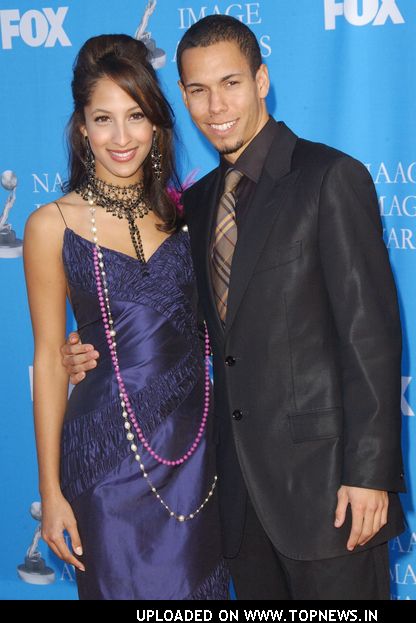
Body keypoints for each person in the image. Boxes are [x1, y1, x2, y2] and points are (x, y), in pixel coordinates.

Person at [62, 17, 406, 600]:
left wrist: (368, 475)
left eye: (231, 83)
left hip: (330, 495)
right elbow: (173, 321)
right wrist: (92, 348)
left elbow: (369, 337)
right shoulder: (190, 207)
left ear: (262, 79)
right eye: (196, 90)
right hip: (232, 504)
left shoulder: (329, 178)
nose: (215, 105)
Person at [23, 33, 228, 601]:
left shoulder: (196, 214)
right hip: (105, 461)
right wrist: (51, 490)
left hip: (194, 457)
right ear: (81, 127)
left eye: (135, 116)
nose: (121, 137)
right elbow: (46, 361)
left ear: (157, 123)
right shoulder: (50, 225)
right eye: (103, 118)